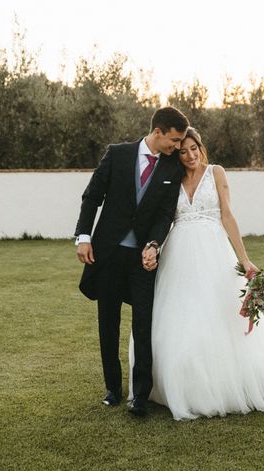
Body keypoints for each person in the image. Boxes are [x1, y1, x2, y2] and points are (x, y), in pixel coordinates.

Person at [130, 127, 264, 420]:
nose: (189, 156)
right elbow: (165, 219)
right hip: (178, 256)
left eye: (193, 149)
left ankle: (225, 383)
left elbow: (227, 215)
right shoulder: (171, 177)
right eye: (182, 151)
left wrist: (245, 259)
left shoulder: (216, 172)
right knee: (179, 317)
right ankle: (181, 383)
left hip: (213, 252)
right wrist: (153, 247)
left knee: (220, 315)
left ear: (201, 148)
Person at [74, 106, 189, 417]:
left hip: (143, 259)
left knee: (144, 323)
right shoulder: (118, 154)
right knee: (108, 322)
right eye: (175, 140)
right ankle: (113, 388)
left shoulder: (172, 169)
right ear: (158, 132)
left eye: (180, 143)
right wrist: (83, 236)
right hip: (107, 253)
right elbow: (92, 196)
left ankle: (140, 394)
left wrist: (153, 245)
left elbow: (165, 214)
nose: (177, 147)